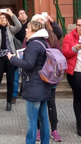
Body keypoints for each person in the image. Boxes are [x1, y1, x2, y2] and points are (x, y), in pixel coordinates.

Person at [7, 20, 51, 144]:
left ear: (34, 30)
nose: (25, 30)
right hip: (43, 84)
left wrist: (13, 59)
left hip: (34, 86)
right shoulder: (44, 43)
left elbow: (28, 64)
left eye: (28, 28)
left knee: (32, 121)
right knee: (43, 120)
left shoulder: (33, 45)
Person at [31, 13, 63, 142]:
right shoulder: (30, 38)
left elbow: (59, 35)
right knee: (37, 103)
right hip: (37, 76)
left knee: (51, 103)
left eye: (43, 21)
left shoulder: (51, 36)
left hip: (49, 75)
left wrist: (52, 21)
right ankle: (39, 129)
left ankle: (54, 130)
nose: (41, 23)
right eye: (38, 21)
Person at [12, 9, 29, 103]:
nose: (22, 15)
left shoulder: (31, 25)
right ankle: (14, 95)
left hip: (30, 51)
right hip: (19, 52)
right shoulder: (17, 27)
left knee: (27, 74)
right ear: (18, 17)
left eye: (24, 13)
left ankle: (24, 92)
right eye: (20, 14)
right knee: (16, 74)